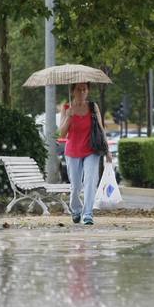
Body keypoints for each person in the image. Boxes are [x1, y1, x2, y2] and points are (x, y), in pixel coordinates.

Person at [57, 82, 107, 225]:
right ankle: (76, 209)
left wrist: (107, 150)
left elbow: (101, 128)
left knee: (90, 182)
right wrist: (68, 117)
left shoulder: (93, 107)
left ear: (88, 91)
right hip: (72, 151)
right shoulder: (66, 108)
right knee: (76, 186)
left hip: (91, 150)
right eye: (79, 89)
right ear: (73, 91)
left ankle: (88, 214)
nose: (82, 92)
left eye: (85, 89)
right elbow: (61, 134)